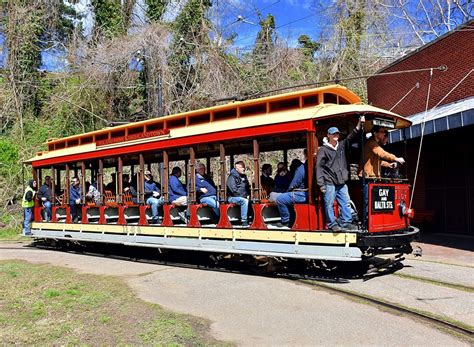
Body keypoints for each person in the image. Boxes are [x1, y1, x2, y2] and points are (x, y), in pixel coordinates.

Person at [316, 116, 364, 231]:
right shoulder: (323, 150)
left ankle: (345, 222)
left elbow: (352, 136)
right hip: (329, 182)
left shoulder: (342, 145)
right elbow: (319, 167)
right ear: (328, 135)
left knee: (346, 202)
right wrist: (321, 184)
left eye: (337, 134)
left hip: (341, 182)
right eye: (333, 134)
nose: (335, 136)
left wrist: (359, 124)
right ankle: (332, 225)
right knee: (329, 204)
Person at [275, 152, 308, 228]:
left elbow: (294, 183)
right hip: (306, 193)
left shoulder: (301, 168)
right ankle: (292, 219)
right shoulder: (309, 166)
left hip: (302, 193)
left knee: (280, 199)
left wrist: (288, 190)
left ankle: (285, 221)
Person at [227, 161, 250, 227]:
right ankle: (244, 221)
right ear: (236, 169)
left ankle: (251, 218)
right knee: (244, 201)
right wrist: (244, 196)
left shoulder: (244, 176)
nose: (243, 168)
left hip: (242, 196)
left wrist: (248, 195)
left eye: (244, 167)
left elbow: (247, 187)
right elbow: (233, 190)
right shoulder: (232, 177)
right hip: (232, 197)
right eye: (241, 167)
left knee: (253, 200)